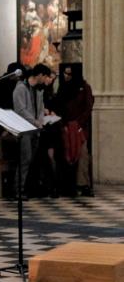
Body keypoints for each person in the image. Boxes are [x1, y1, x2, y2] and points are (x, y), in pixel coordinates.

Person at [12, 63, 53, 195]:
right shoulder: (21, 88)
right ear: (40, 75)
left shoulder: (38, 90)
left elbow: (40, 108)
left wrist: (40, 121)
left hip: (35, 129)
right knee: (25, 158)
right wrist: (34, 122)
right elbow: (20, 109)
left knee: (32, 160)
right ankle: (18, 189)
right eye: (45, 76)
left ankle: (28, 187)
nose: (46, 80)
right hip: (24, 129)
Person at [54, 64, 94, 196]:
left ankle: (82, 184)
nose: (66, 76)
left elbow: (88, 107)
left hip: (80, 127)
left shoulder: (85, 87)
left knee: (82, 153)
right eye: (65, 73)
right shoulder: (62, 87)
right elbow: (58, 106)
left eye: (69, 74)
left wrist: (78, 123)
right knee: (65, 153)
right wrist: (64, 124)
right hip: (65, 126)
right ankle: (66, 185)